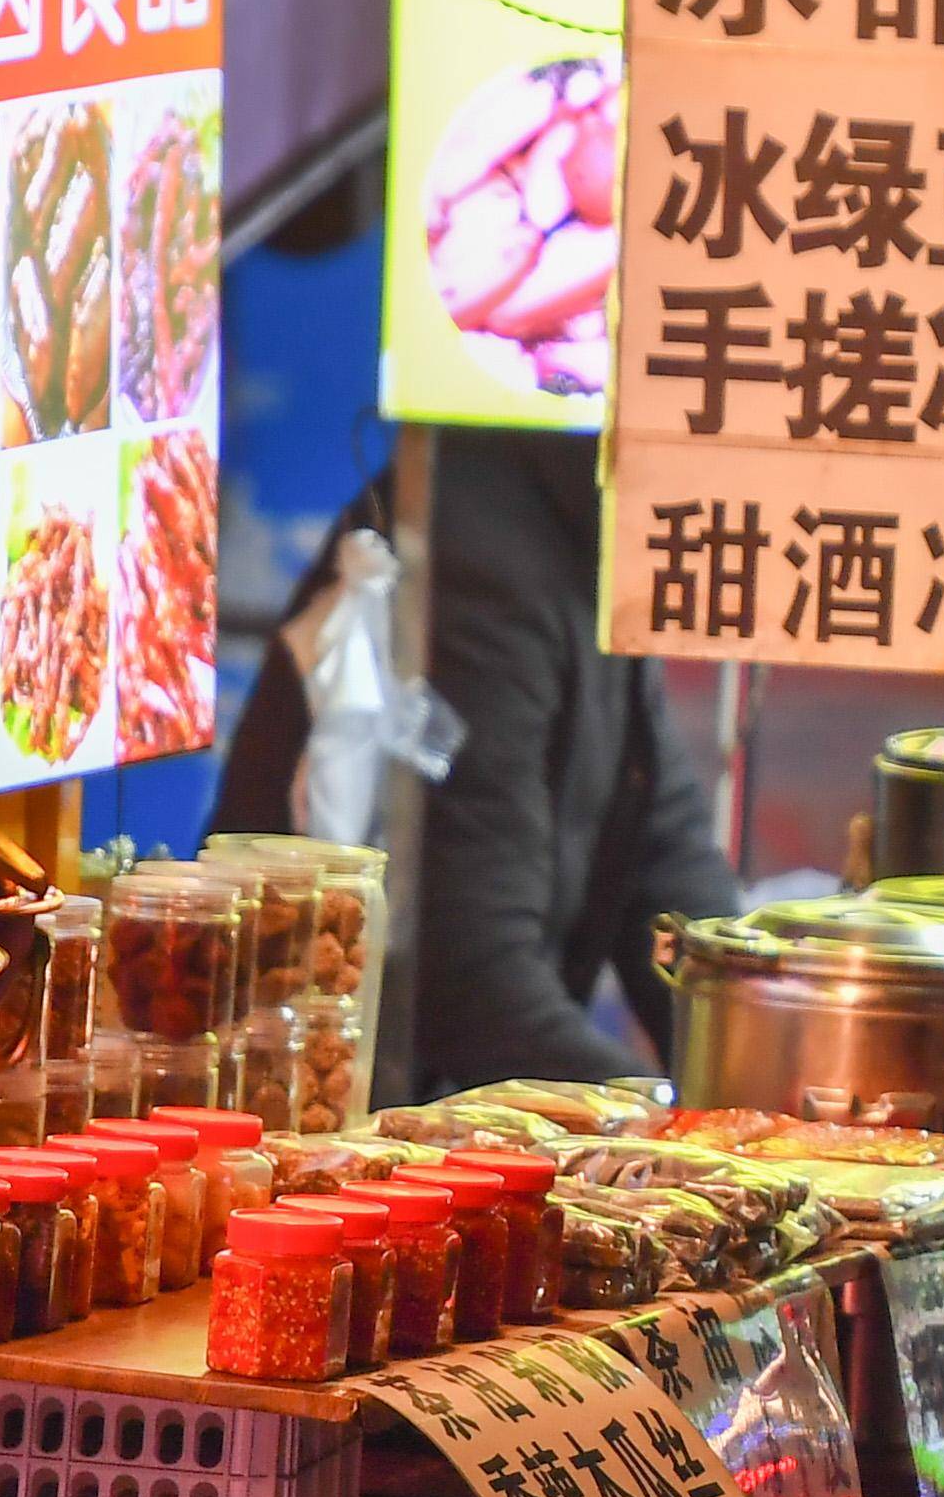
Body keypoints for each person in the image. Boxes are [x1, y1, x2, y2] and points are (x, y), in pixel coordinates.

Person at [208, 424, 738, 1091]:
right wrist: (659, 1125)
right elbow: (467, 972)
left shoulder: (598, 522)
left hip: (449, 1088)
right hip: (330, 1100)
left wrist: (753, 1053)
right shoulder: (478, 548)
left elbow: (665, 853)